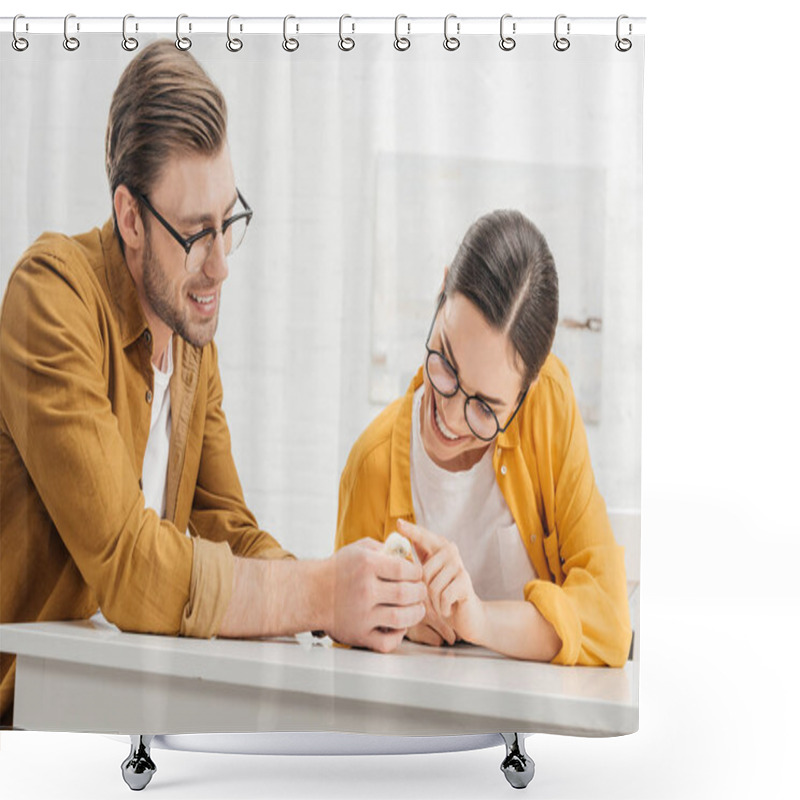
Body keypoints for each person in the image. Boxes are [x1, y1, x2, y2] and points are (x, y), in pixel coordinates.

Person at [0, 40, 425, 728]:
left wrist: (355, 599)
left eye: (228, 220)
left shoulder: (193, 347)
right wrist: (318, 593)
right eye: (197, 233)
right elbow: (130, 567)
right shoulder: (50, 297)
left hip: (114, 714)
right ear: (131, 218)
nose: (222, 266)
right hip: (23, 725)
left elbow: (225, 527)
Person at [335, 210, 632, 667]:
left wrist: (479, 620)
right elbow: (343, 641)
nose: (450, 417)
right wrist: (393, 620)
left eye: (486, 407)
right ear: (442, 290)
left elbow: (610, 621)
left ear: (524, 394)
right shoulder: (371, 465)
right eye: (447, 363)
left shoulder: (548, 405)